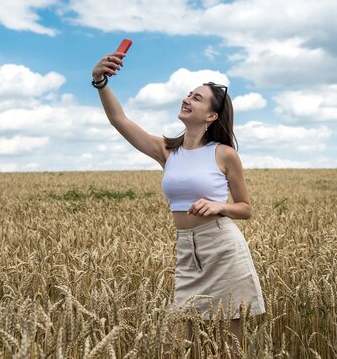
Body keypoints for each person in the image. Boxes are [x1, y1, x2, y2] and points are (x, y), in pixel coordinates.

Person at [91, 49, 265, 354]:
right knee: (177, 346)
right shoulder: (166, 151)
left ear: (211, 116)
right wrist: (100, 82)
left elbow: (245, 208)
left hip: (223, 248)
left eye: (197, 98)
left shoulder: (223, 154)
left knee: (229, 348)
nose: (187, 99)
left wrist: (219, 206)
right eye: (188, 94)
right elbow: (119, 120)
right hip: (187, 251)